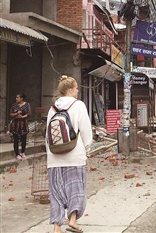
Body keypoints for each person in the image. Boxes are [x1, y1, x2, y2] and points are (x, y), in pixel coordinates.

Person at [46, 76, 92, 233]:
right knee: (75, 189)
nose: (78, 90)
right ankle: (72, 220)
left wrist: (50, 156)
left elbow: (48, 136)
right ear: (70, 89)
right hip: (74, 154)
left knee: (56, 192)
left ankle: (56, 227)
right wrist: (87, 147)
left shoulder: (52, 109)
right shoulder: (78, 105)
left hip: (54, 157)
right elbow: (85, 129)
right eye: (76, 88)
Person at [9, 93, 31, 161]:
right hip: (15, 125)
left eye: (17, 97)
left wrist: (22, 117)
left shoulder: (27, 105)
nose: (16, 99)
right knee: (16, 140)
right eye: (16, 97)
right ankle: (17, 154)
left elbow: (29, 113)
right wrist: (16, 114)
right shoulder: (14, 105)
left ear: (21, 98)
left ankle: (23, 152)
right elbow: (11, 114)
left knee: (23, 140)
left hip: (24, 124)